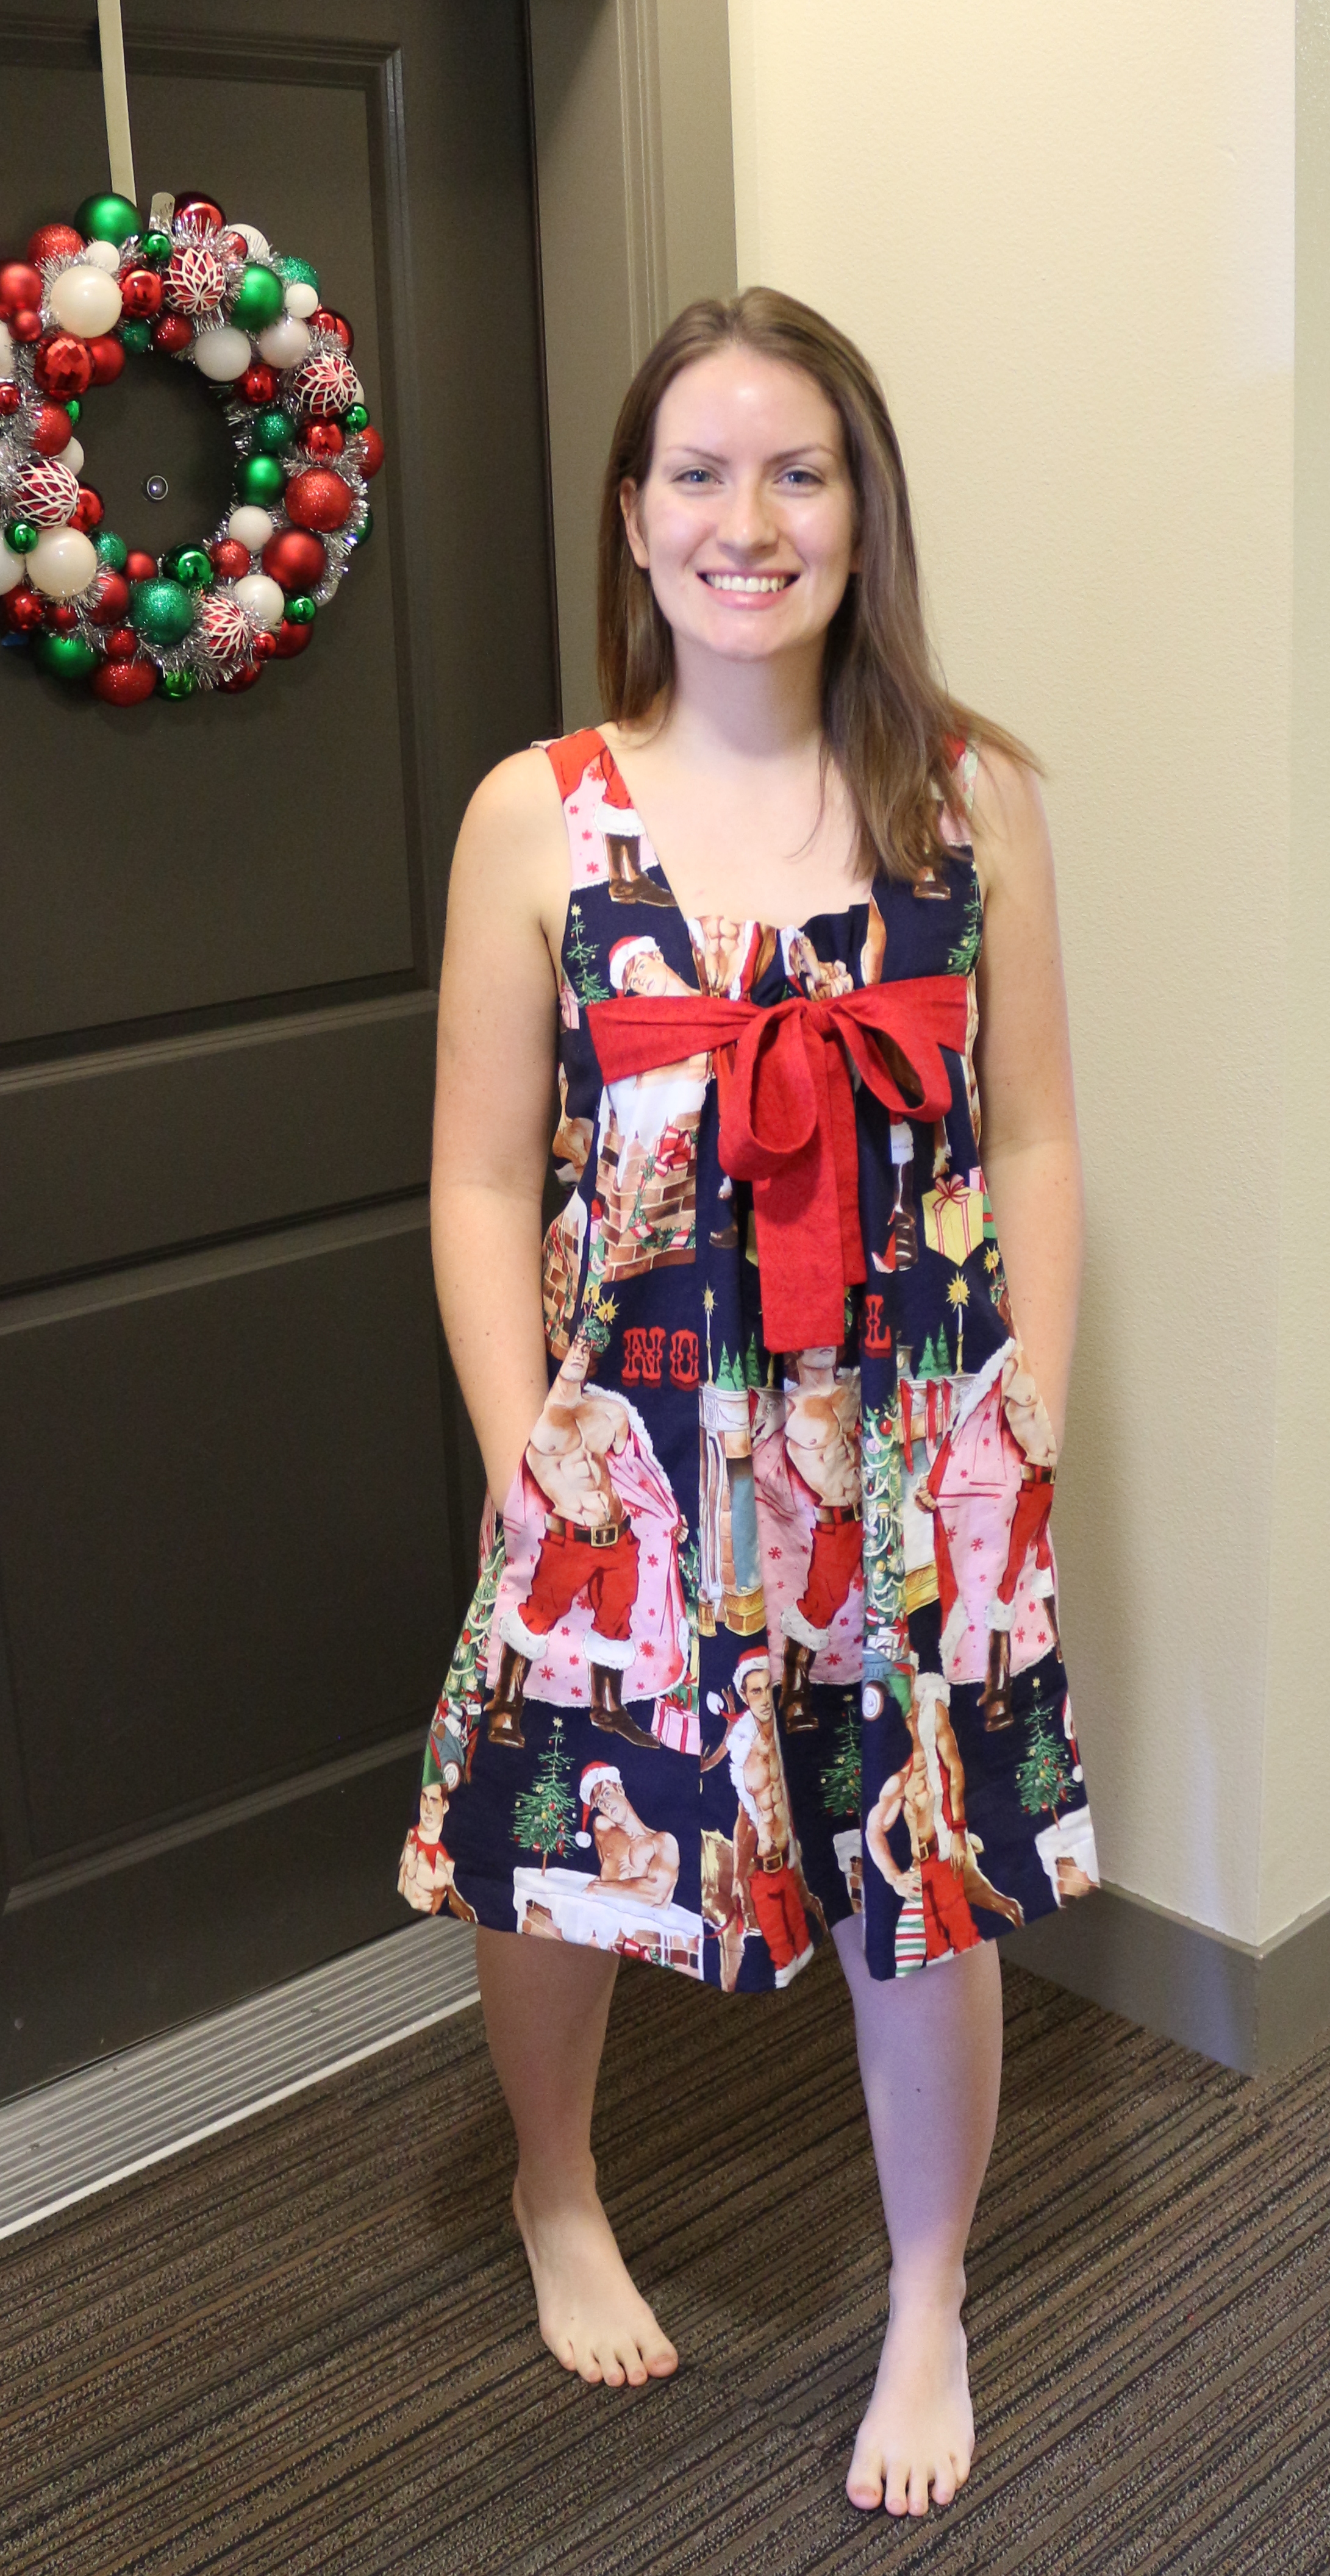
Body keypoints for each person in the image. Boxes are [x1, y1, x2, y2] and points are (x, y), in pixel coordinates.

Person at [404, 287, 1094, 2519]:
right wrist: (525, 1454)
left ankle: (927, 2293)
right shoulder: (538, 817)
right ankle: (556, 2183)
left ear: (861, 512)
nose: (750, 519)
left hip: (913, 1452)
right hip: (629, 1449)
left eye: (800, 470)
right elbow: (480, 1176)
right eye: (699, 473)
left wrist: (1029, 1417)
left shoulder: (969, 798)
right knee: (559, 1851)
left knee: (927, 1879)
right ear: (634, 519)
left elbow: (1035, 1133)